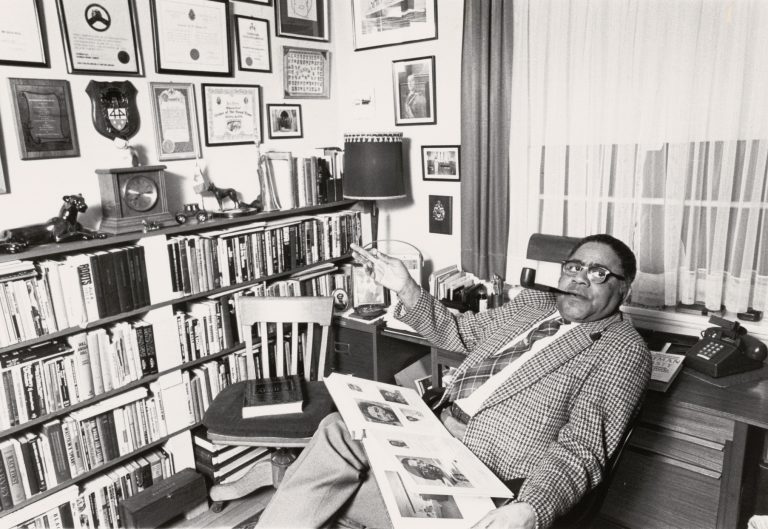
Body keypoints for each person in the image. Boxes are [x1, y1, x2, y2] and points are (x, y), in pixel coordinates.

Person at [257, 234, 651, 529]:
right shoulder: (535, 304)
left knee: (338, 495)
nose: (580, 279)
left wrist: (531, 508)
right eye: (574, 267)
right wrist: (406, 287)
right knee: (335, 430)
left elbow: (581, 449)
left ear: (623, 288)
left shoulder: (622, 349)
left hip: (482, 466)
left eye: (598, 273)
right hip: (429, 425)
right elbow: (457, 332)